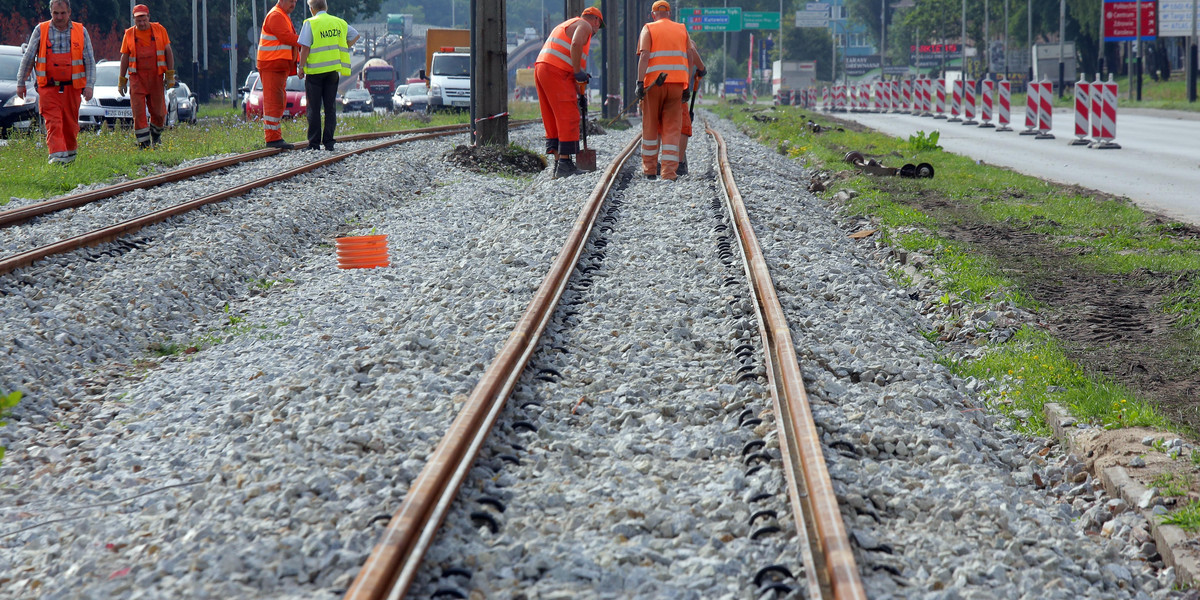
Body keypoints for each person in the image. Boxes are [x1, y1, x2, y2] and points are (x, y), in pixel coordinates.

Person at [16, 0, 96, 165]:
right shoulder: (41, 30)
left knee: (70, 125)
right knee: (53, 123)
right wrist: (21, 82)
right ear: (50, 12)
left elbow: (89, 61)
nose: (59, 17)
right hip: (48, 88)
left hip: (72, 88)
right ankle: (57, 159)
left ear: (69, 12)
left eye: (63, 13)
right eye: (55, 13)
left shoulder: (81, 31)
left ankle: (70, 159)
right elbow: (29, 57)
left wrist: (89, 85)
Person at [534, 6, 603, 179]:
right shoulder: (585, 25)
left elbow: (568, 57)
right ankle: (565, 164)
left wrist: (580, 91)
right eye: (598, 26)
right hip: (556, 70)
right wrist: (578, 70)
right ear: (596, 20)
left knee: (553, 116)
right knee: (568, 115)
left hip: (543, 67)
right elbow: (575, 44)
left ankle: (558, 163)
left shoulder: (566, 24)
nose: (596, 31)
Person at [635, 0, 690, 181]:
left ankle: (650, 170)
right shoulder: (682, 29)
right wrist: (686, 83)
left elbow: (644, 55)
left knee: (650, 126)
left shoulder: (648, 28)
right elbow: (689, 55)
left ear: (653, 14)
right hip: (676, 85)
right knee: (672, 128)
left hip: (653, 86)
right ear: (670, 13)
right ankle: (668, 173)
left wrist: (639, 82)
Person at [297, 0, 358, 151]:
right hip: (332, 72)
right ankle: (329, 142)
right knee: (330, 107)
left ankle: (314, 144)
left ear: (311, 9)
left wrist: (300, 66)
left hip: (315, 73)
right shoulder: (339, 23)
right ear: (326, 7)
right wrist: (343, 46)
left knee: (314, 108)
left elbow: (305, 47)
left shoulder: (310, 23)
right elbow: (355, 35)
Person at [118, 4, 175, 149]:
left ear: (149, 17)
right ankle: (143, 143)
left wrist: (170, 74)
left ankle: (156, 135)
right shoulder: (129, 34)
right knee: (138, 112)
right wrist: (122, 80)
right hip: (137, 79)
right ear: (134, 20)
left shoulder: (160, 30)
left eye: (144, 19)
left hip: (156, 77)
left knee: (159, 112)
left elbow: (168, 51)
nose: (142, 23)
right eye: (138, 20)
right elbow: (125, 56)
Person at [258, 0, 300, 149]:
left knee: (278, 100)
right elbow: (287, 37)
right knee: (273, 101)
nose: (293, 4)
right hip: (271, 65)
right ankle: (272, 138)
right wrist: (307, 41)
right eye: (291, 0)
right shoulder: (276, 15)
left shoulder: (282, 15)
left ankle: (275, 137)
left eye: (295, 1)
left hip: (277, 65)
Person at [677, 39, 705, 177]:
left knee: (661, 123)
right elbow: (692, 50)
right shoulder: (685, 39)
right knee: (683, 125)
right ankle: (679, 163)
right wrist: (702, 69)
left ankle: (654, 163)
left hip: (657, 85)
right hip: (677, 85)